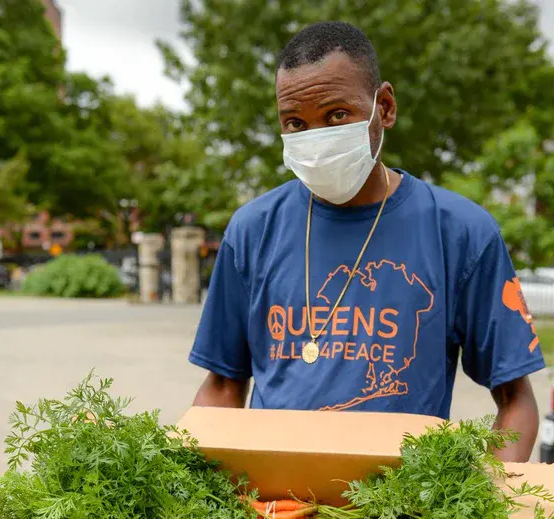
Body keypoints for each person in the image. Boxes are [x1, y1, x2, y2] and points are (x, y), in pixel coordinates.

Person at [189, 21, 544, 461]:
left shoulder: (461, 232)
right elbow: (223, 385)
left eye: (337, 115)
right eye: (295, 123)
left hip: (403, 515)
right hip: (272, 514)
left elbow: (515, 402)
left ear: (386, 108)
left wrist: (483, 511)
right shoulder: (252, 230)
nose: (315, 140)